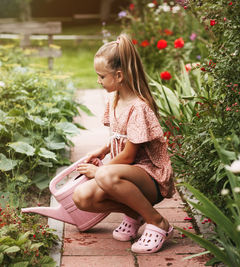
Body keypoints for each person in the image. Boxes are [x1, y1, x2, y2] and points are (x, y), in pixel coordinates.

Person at [72, 33, 175, 254]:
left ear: (119, 75)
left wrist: (99, 169)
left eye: (101, 76)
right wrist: (102, 150)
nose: (98, 81)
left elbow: (129, 156)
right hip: (129, 174)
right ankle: (137, 211)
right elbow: (119, 136)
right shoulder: (115, 98)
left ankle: (157, 222)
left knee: (103, 175)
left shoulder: (138, 107)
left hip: (150, 178)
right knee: (82, 197)